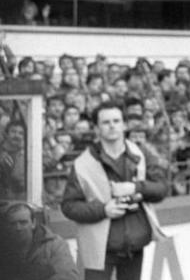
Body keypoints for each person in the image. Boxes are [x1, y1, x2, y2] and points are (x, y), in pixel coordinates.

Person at [60, 101, 168, 280]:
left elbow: (162, 188)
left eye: (116, 121)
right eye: (106, 122)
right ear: (96, 128)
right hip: (99, 250)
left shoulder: (141, 154)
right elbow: (69, 206)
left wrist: (136, 188)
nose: (112, 126)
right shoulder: (82, 164)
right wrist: (104, 210)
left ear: (124, 124)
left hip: (134, 246)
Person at [0, 201, 79, 280]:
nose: (18, 228)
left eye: (23, 222)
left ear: (33, 223)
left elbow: (68, 276)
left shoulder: (54, 244)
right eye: (13, 223)